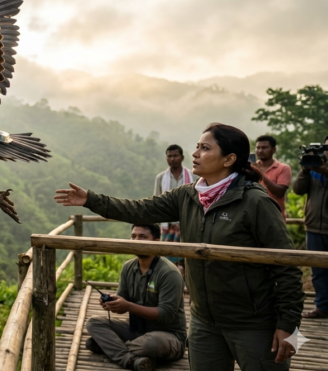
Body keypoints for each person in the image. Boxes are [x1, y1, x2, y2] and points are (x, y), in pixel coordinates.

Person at [55, 123, 305, 371]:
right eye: (197, 146)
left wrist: (288, 326)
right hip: (204, 321)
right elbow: (139, 209)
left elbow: (288, 266)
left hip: (254, 322)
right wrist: (91, 200)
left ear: (229, 159)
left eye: (205, 148)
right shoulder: (188, 196)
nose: (195, 153)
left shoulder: (255, 201)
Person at [85, 224, 186, 371]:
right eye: (133, 236)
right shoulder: (128, 267)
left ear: (156, 242)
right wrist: (113, 303)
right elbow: (122, 302)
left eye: (142, 237)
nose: (136, 240)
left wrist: (128, 306)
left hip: (167, 336)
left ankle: (112, 348)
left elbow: (166, 315)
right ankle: (130, 359)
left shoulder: (169, 273)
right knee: (94, 323)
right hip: (136, 330)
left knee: (150, 344)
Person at [294, 135, 328, 319]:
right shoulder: (313, 169)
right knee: (318, 271)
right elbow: (298, 190)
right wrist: (305, 171)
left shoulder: (322, 169)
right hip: (314, 226)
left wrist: (325, 171)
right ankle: (322, 307)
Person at [154, 145, 194, 273]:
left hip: (187, 224)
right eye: (169, 156)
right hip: (168, 226)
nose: (172, 159)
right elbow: (157, 201)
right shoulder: (161, 178)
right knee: (167, 259)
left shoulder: (192, 176)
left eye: (175, 155)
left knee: (187, 259)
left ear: (182, 157)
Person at [252, 135, 292, 220]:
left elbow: (279, 192)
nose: (260, 151)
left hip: (275, 217)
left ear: (274, 149)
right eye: (258, 148)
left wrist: (259, 172)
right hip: (254, 216)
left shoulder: (283, 168)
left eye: (264, 148)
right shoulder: (251, 168)